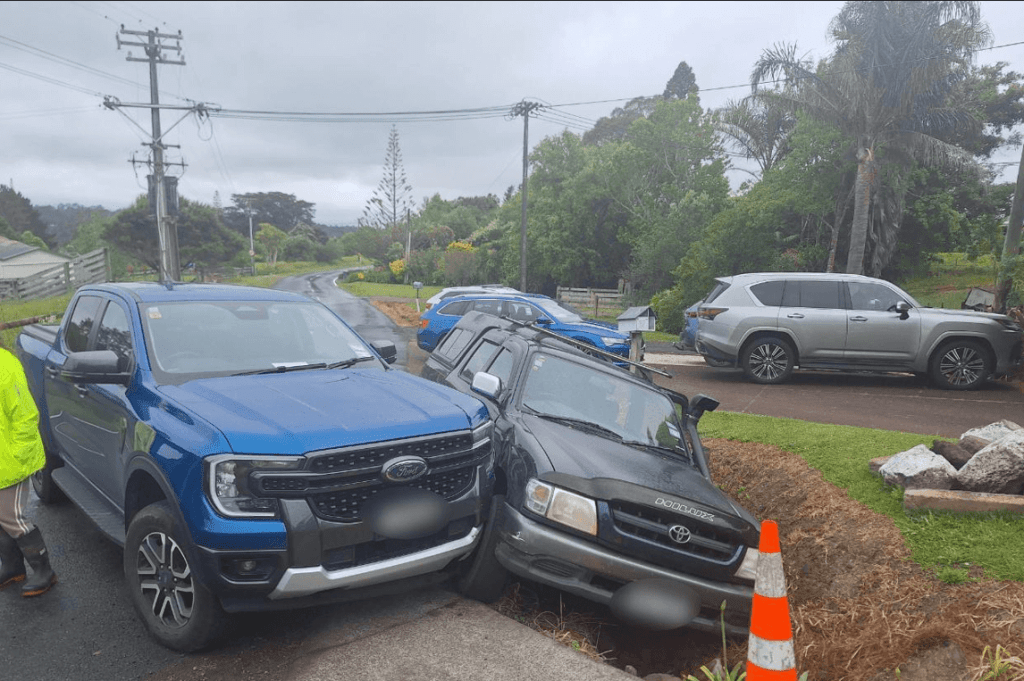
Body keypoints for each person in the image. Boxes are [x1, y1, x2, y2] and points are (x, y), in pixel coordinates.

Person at [0, 337, 58, 597]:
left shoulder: (6, 367)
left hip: (10, 460)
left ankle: (44, 571)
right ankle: (13, 568)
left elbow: (25, 416)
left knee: (13, 519)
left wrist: (17, 459)